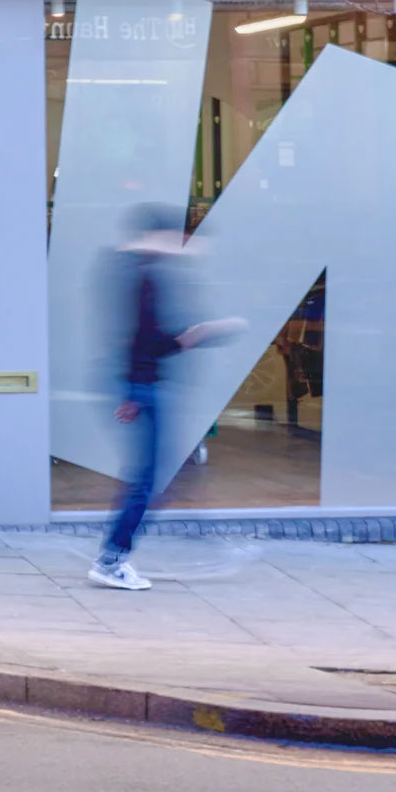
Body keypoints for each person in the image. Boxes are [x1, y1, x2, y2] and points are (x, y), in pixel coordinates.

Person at [91, 204, 243, 591]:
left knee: (154, 475)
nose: (183, 246)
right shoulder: (141, 277)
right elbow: (145, 340)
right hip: (143, 385)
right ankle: (112, 559)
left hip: (139, 384)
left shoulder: (129, 269)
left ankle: (116, 555)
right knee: (150, 479)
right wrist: (198, 333)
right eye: (177, 239)